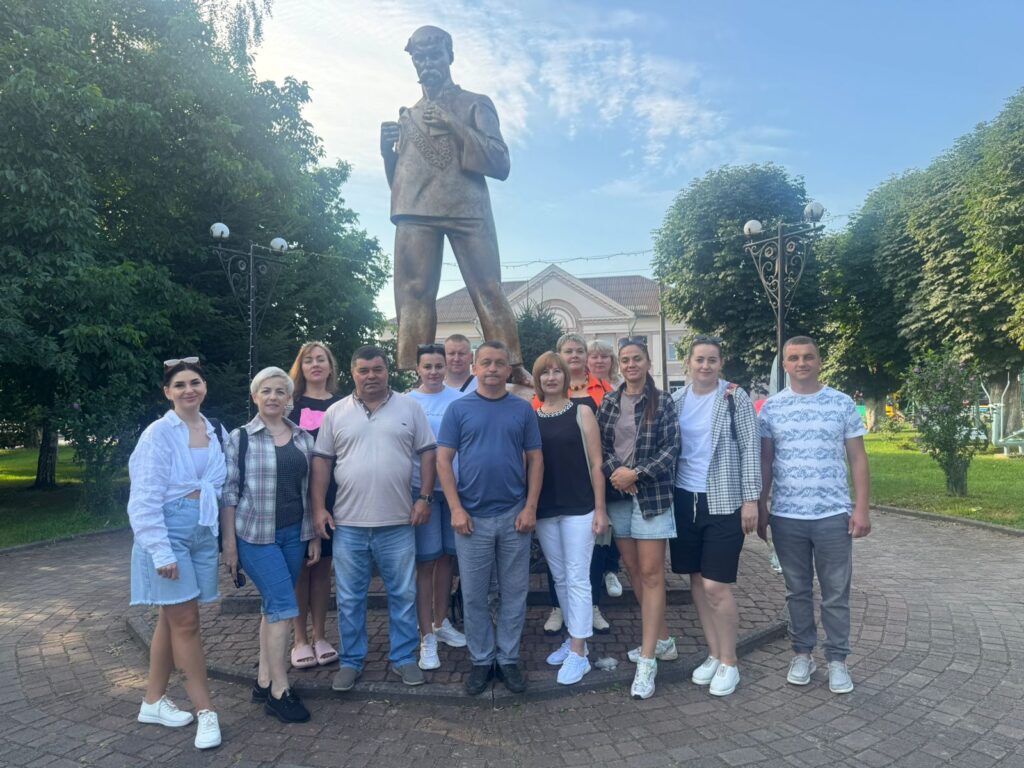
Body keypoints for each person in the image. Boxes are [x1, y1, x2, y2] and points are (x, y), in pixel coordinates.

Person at [381, 25, 530, 385]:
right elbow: (401, 182)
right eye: (420, 58)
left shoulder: (474, 103)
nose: (427, 64)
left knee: (488, 287)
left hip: (467, 207)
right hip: (415, 209)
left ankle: (511, 364)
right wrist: (387, 153)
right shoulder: (408, 116)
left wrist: (453, 124)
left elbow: (500, 162)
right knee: (413, 291)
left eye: (434, 55)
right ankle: (416, 374)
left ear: (450, 55)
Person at [311, 346, 436, 691]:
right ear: (352, 373)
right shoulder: (336, 412)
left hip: (398, 522)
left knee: (403, 594)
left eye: (377, 369)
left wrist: (425, 498)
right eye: (363, 370)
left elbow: (428, 453)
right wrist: (318, 507)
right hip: (348, 523)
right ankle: (351, 661)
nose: (371, 376)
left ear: (387, 371)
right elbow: (322, 461)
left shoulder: (410, 407)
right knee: (349, 598)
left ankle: (404, 658)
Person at [757, 336, 871, 695]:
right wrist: (761, 506)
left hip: (832, 515)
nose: (801, 363)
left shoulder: (841, 403)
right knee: (797, 591)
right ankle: (802, 654)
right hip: (787, 516)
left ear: (820, 361)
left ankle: (837, 660)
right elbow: (766, 462)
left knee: (836, 593)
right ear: (785, 365)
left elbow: (857, 458)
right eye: (793, 358)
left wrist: (861, 507)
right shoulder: (771, 409)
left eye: (808, 357)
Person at [437, 341, 543, 695]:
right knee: (474, 595)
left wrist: (530, 507)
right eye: (486, 362)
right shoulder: (459, 409)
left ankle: (508, 658)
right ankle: (482, 660)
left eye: (499, 363)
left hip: (514, 515)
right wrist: (455, 508)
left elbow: (536, 459)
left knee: (514, 593)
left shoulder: (522, 409)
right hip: (472, 518)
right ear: (475, 368)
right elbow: (443, 460)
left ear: (509, 370)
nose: (493, 368)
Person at [128, 357, 224, 750]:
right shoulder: (158, 435)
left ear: (204, 387)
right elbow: (144, 498)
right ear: (167, 392)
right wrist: (160, 550)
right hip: (169, 533)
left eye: (195, 382)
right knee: (187, 623)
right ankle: (206, 711)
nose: (189, 390)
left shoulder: (214, 430)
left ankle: (152, 701)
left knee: (172, 620)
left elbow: (220, 485)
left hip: (202, 531)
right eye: (180, 385)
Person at [220, 367, 320, 724]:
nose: (273, 397)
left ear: (289, 399)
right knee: (283, 606)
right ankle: (280, 691)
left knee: (272, 606)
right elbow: (229, 492)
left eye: (280, 391)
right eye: (266, 391)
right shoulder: (240, 438)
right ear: (255, 396)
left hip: (294, 534)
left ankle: (263, 680)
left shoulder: (303, 438)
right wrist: (229, 545)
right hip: (255, 536)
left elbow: (309, 492)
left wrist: (312, 535)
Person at [668, 336, 761, 697]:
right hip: (684, 499)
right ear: (688, 363)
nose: (705, 366)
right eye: (699, 360)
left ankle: (730, 661)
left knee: (715, 585)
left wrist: (751, 500)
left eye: (712, 360)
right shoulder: (676, 400)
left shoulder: (734, 397)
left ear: (721, 363)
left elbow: (751, 449)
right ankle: (713, 653)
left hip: (724, 500)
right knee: (696, 581)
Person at [597, 338, 680, 699]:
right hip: (618, 496)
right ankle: (663, 641)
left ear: (647, 362)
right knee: (633, 571)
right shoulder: (609, 401)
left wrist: (637, 474)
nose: (631, 364)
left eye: (637, 359)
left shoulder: (663, 401)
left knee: (651, 574)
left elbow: (671, 448)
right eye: (625, 359)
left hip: (652, 497)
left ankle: (647, 661)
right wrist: (619, 473)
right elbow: (600, 446)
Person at [532, 352, 608, 685]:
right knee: (560, 577)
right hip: (546, 509)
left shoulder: (582, 411)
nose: (551, 377)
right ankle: (574, 639)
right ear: (538, 380)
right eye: (544, 373)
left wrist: (601, 509)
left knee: (577, 577)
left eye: (556, 371)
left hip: (580, 507)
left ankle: (579, 653)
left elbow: (597, 463)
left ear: (565, 376)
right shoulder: (532, 416)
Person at [407, 343, 468, 670]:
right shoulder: (407, 402)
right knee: (425, 562)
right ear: (417, 368)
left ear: (446, 368)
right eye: (427, 366)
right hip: (423, 491)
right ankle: (425, 636)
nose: (433, 371)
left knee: (446, 559)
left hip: (455, 491)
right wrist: (421, 496)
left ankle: (441, 622)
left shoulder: (460, 400)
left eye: (438, 366)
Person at [287, 342, 341, 669]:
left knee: (322, 569)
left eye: (321, 359)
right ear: (301, 367)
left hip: (332, 497)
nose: (316, 364)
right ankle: (299, 639)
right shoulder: (288, 405)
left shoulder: (343, 404)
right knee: (299, 569)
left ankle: (320, 635)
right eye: (309, 360)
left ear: (330, 366)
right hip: (295, 497)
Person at [588, 339, 625, 603]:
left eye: (604, 356)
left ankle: (611, 569)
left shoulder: (618, 388)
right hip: (586, 462)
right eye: (594, 356)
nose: (599, 361)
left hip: (613, 461)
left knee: (612, 519)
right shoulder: (578, 386)